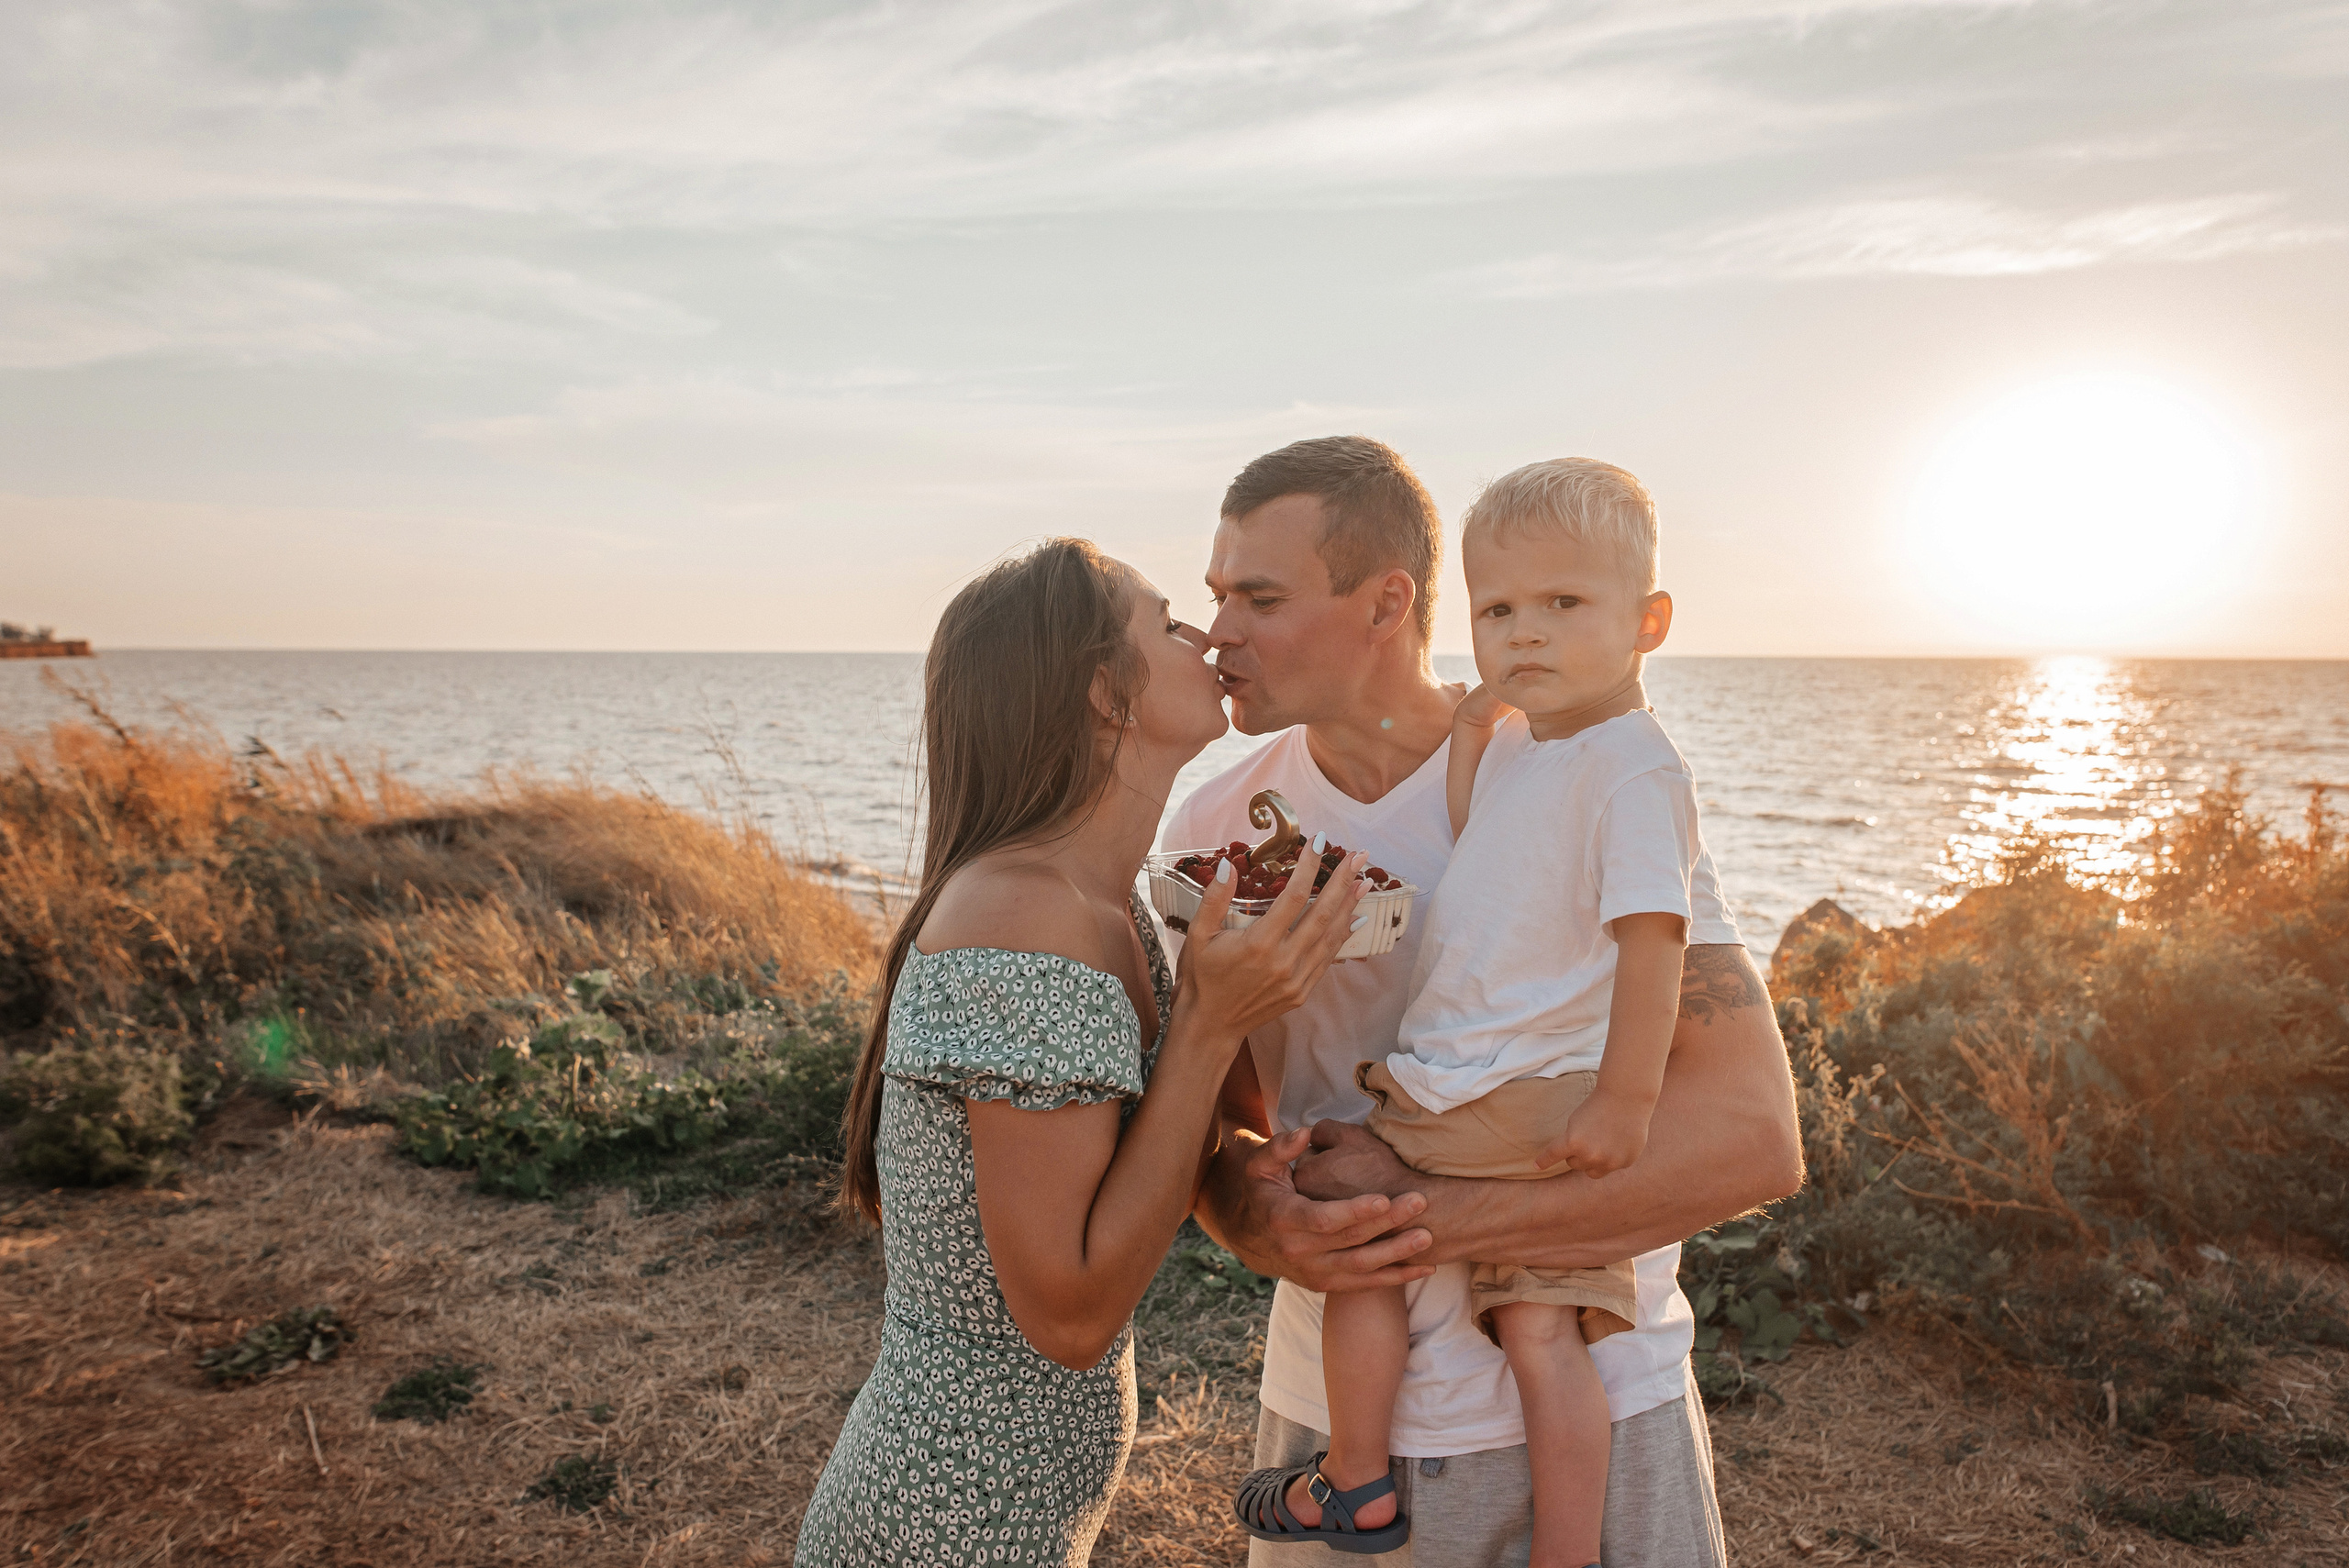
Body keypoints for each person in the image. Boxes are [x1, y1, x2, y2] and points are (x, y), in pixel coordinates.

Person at [1165, 437, 1806, 1567]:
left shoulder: (1580, 772)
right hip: (1338, 1403)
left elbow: (1755, 1140)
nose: (1218, 632)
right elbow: (1213, 1130)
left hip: (1592, 1398)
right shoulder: (1213, 830)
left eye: (1258, 597)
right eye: (1215, 595)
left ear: (1387, 602)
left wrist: (1401, 1212)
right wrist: (1249, 1213)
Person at [795, 539, 1375, 1567]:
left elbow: (1175, 1148)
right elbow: (1066, 1313)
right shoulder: (1022, 916)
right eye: (1166, 619)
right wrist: (1208, 1018)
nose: (1204, 633)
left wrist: (1263, 1166)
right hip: (943, 1523)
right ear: (1109, 690)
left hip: (1013, 1517)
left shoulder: (1118, 903)